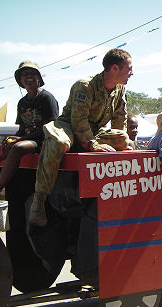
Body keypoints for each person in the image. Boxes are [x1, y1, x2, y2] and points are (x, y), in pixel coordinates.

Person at [29, 48, 133, 227]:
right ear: (115, 68)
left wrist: (122, 147)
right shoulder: (84, 85)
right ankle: (39, 200)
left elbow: (120, 121)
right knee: (59, 143)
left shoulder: (120, 90)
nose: (132, 73)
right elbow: (78, 120)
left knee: (124, 139)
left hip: (94, 129)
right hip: (68, 125)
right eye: (129, 68)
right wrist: (92, 145)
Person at [0, 61, 59, 199]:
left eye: (32, 73)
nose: (28, 77)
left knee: (18, 148)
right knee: (1, 152)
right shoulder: (21, 103)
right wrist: (12, 139)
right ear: (20, 80)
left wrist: (21, 140)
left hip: (44, 141)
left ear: (39, 78)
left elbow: (50, 129)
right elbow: (22, 129)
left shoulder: (46, 98)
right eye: (24, 74)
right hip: (27, 141)